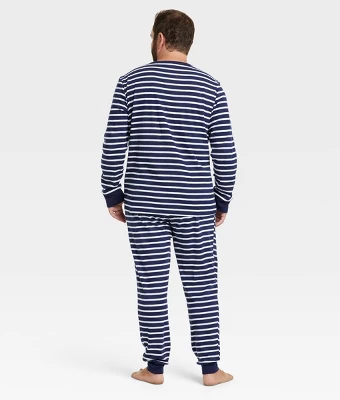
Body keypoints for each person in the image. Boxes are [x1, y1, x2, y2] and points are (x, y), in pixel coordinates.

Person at [100, 9, 237, 386]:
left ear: (160, 39)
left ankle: (155, 367)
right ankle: (210, 369)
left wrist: (112, 193)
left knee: (151, 285)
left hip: (144, 202)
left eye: (151, 36)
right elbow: (226, 154)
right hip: (195, 204)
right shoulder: (211, 87)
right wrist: (221, 200)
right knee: (201, 285)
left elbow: (113, 146)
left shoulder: (130, 82)